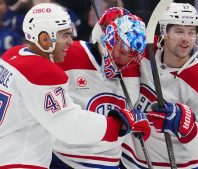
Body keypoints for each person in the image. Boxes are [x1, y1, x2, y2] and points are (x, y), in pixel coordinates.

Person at [0, 3, 149, 169]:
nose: (70, 41)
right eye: (65, 35)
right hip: (18, 162)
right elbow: (68, 124)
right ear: (45, 39)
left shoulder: (12, 56)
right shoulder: (43, 73)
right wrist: (118, 125)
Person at [121, 2, 198, 169]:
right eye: (179, 31)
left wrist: (186, 127)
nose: (186, 38)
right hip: (128, 161)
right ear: (164, 32)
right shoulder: (143, 50)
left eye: (191, 33)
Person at [51, 7, 150, 169]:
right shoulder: (70, 53)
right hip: (62, 159)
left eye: (132, 54)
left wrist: (138, 119)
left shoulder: (135, 70)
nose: (124, 58)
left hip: (107, 162)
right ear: (109, 37)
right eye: (122, 49)